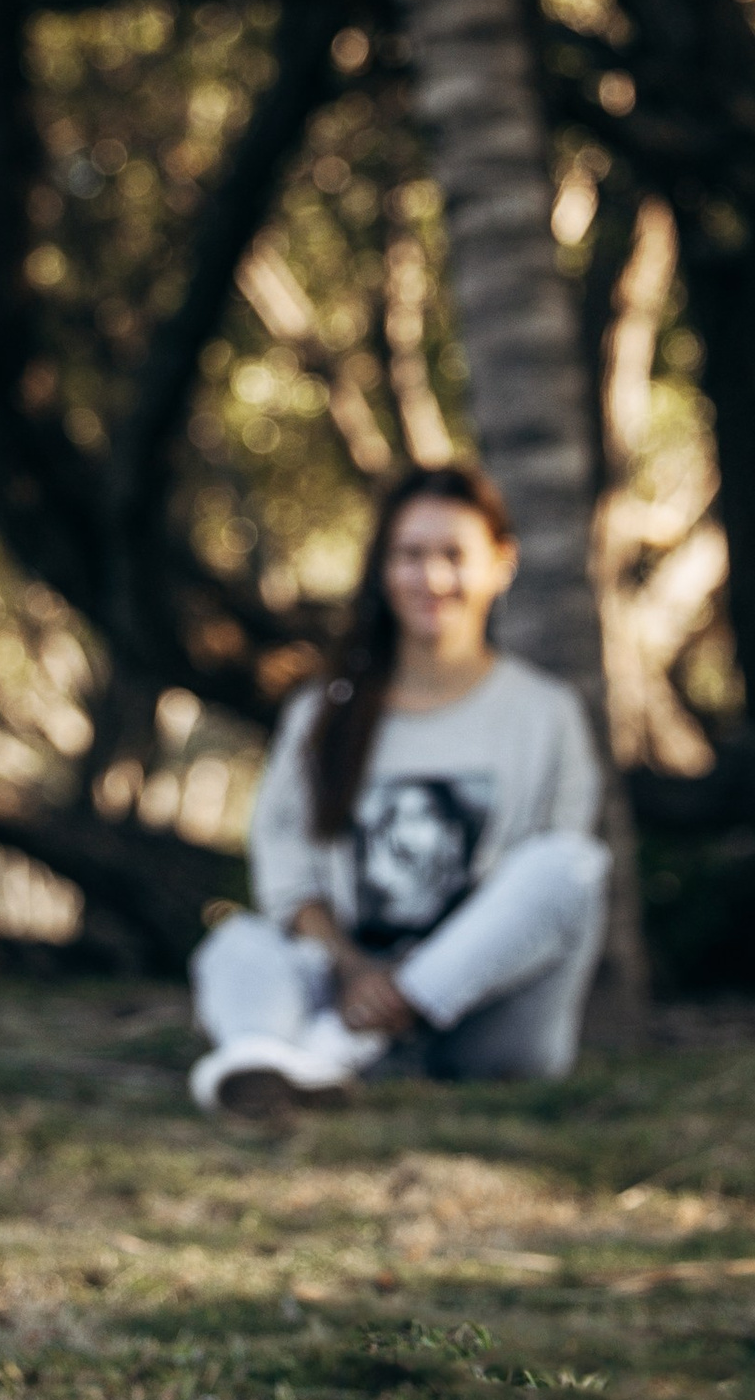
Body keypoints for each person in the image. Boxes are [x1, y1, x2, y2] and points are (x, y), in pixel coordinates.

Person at [190, 463, 609, 1127]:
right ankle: (263, 1065)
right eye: (411, 556)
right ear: (384, 570)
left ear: (502, 564)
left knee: (573, 868)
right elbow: (288, 873)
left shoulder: (546, 715)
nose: (432, 578)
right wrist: (354, 971)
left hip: (483, 1027)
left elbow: (537, 899)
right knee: (234, 944)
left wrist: (406, 990)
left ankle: (331, 1053)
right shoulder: (323, 712)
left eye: (453, 556)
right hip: (344, 987)